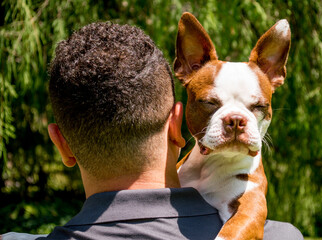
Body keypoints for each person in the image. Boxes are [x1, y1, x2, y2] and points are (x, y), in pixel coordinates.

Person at [2, 22, 303, 240]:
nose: (236, 121)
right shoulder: (282, 236)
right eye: (212, 104)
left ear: (62, 144)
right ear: (176, 125)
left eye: (256, 108)